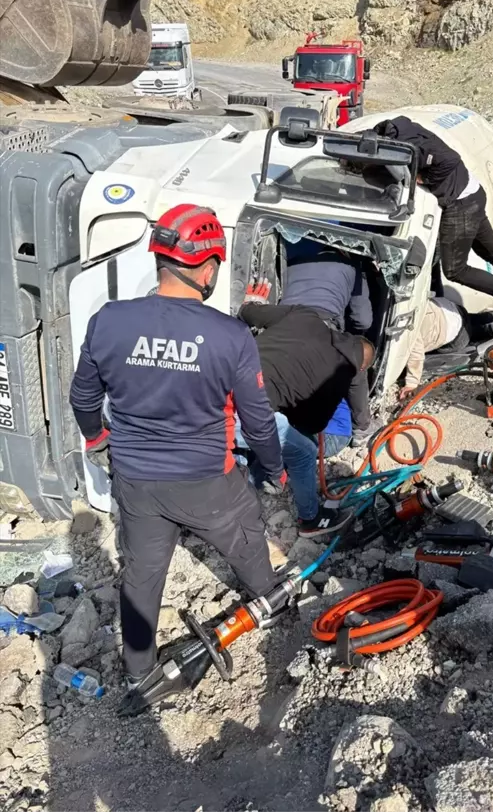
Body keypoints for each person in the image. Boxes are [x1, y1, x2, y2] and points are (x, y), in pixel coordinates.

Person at [69, 204, 285, 686]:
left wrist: (99, 438)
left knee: (142, 574)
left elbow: (83, 396)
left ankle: (138, 671)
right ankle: (269, 597)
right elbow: (257, 419)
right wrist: (273, 471)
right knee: (245, 538)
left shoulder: (110, 321)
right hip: (207, 480)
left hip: (137, 480)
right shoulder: (230, 336)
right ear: (207, 267)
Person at [372, 116, 493, 326]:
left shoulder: (412, 145)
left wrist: (424, 179)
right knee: (490, 251)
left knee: (455, 269)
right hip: (472, 193)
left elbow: (450, 159)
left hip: (460, 204)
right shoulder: (399, 129)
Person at [238, 295, 375, 536]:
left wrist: (251, 305)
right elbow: (309, 425)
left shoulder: (304, 315)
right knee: (303, 451)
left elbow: (249, 313)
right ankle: (310, 519)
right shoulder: (342, 376)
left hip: (212, 383)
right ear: (361, 368)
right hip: (237, 411)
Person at [281, 239, 378, 446]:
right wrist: (351, 336)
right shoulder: (351, 266)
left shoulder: (291, 263)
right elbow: (363, 319)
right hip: (322, 325)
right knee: (353, 367)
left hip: (282, 324)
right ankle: (362, 427)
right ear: (346, 251)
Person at [398, 297, 493, 398]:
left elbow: (416, 354)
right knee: (470, 320)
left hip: (458, 335)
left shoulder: (405, 324)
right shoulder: (402, 304)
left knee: (474, 331)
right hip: (449, 308)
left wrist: (411, 384)